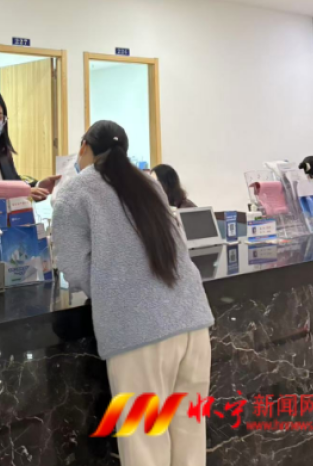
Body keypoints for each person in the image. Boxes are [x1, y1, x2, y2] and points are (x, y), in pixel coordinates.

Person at [52, 120, 214, 466]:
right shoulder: (149, 182)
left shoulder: (74, 191)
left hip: (139, 332)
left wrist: (112, 289)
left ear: (84, 147)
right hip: (192, 321)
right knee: (189, 435)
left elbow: (74, 267)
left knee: (145, 447)